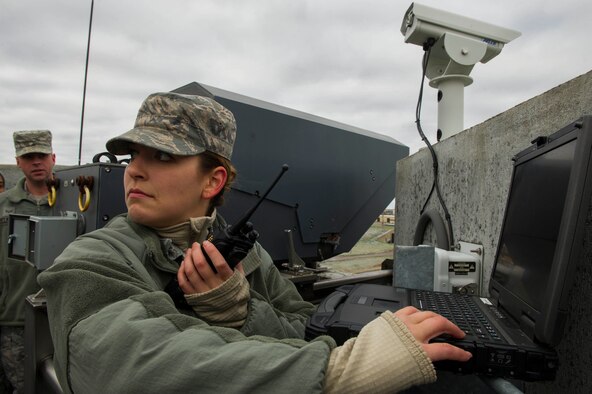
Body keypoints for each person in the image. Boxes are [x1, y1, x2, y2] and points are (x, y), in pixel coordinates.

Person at [38, 92, 471, 394]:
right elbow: (121, 366)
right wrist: (335, 372)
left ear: (214, 180)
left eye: (163, 156)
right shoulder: (95, 258)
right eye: (134, 156)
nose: (134, 171)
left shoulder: (247, 254)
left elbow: (305, 325)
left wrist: (240, 311)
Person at [0, 130, 56, 393]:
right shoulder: (4, 205)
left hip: (60, 317)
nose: (36, 162)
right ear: (18, 162)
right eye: (29, 156)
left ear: (53, 158)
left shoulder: (78, 201)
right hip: (14, 318)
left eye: (42, 155)